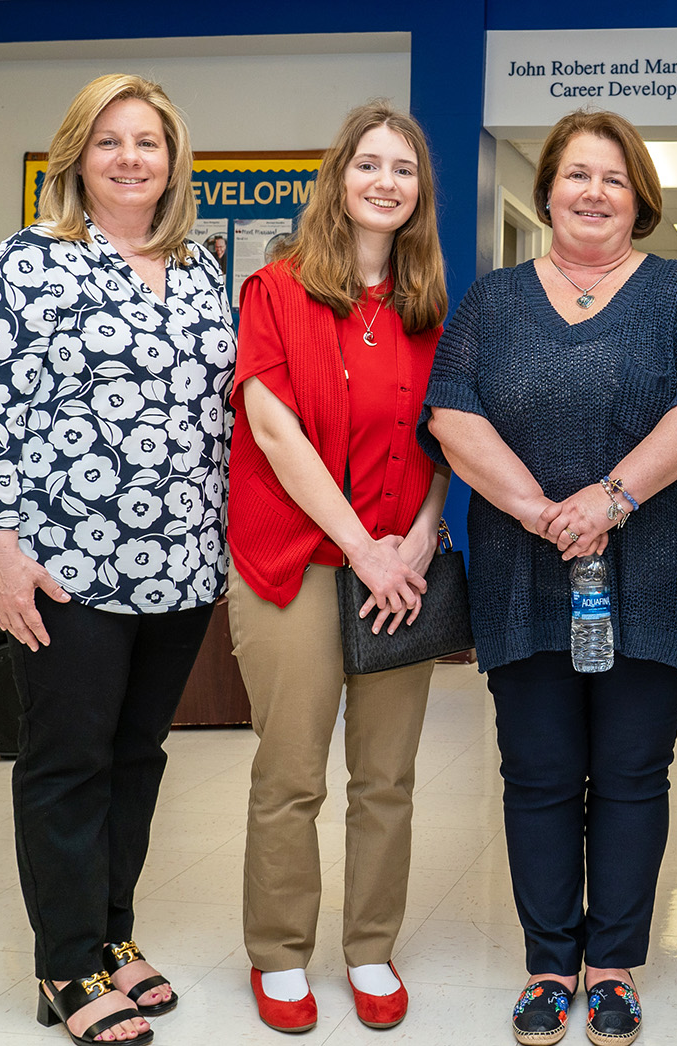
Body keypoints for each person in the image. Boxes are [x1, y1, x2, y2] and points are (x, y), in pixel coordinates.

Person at [420, 108, 677, 1046]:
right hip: (524, 575)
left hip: (655, 573)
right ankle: (551, 963)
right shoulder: (491, 300)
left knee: (635, 774)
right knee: (540, 774)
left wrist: (608, 500)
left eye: (613, 177)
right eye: (576, 175)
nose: (594, 192)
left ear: (639, 195)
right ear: (547, 189)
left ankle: (614, 965)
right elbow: (451, 411)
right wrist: (533, 509)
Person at [0, 73, 233, 1045]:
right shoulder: (33, 261)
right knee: (66, 760)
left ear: (174, 161)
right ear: (78, 155)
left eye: (149, 142)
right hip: (64, 564)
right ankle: (65, 963)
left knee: (137, 755)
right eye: (111, 141)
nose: (131, 158)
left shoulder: (202, 268)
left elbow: (225, 415)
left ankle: (115, 937)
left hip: (183, 562)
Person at [226, 103, 450, 1034]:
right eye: (370, 164)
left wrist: (424, 538)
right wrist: (360, 545)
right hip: (294, 558)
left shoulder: (430, 307)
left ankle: (369, 947)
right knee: (291, 771)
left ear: (418, 194)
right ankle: (279, 953)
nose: (386, 182)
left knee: (386, 777)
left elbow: (449, 437)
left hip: (400, 565)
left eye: (404, 169)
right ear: (340, 178)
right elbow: (273, 430)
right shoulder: (276, 291)